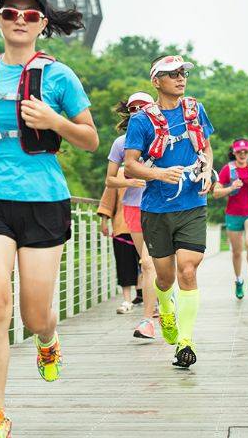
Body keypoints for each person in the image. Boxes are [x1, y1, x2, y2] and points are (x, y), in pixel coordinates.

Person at [0, 0, 98, 438]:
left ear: (42, 25)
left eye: (31, 15)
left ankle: (47, 341)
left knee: (34, 316)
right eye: (11, 12)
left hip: (44, 199)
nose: (20, 20)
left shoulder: (60, 76)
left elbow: (89, 139)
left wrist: (56, 122)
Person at [124, 55, 214, 367]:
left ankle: (185, 342)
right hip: (156, 208)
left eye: (182, 73)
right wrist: (160, 174)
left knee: (188, 269)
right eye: (171, 74)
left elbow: (207, 147)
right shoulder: (141, 121)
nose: (180, 78)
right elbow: (130, 164)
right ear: (156, 81)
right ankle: (165, 308)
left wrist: (207, 170)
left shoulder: (195, 109)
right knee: (164, 277)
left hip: (192, 203)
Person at [105, 92, 158, 338]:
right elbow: (110, 179)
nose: (138, 111)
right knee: (147, 262)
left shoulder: (164, 138)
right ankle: (151, 317)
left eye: (143, 107)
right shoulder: (121, 143)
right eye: (134, 108)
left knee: (158, 264)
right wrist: (134, 181)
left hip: (161, 205)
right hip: (133, 207)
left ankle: (159, 309)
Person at [213, 138, 248, 299]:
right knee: (237, 252)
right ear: (234, 152)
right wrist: (231, 188)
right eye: (239, 151)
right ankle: (238, 280)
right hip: (233, 214)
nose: (242, 154)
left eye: (245, 151)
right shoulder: (227, 170)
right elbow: (216, 193)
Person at [98, 167, 140, 314]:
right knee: (124, 263)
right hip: (123, 226)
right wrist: (104, 221)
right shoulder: (118, 173)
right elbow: (108, 198)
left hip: (147, 226)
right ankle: (127, 299)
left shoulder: (153, 167)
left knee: (148, 264)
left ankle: (146, 297)